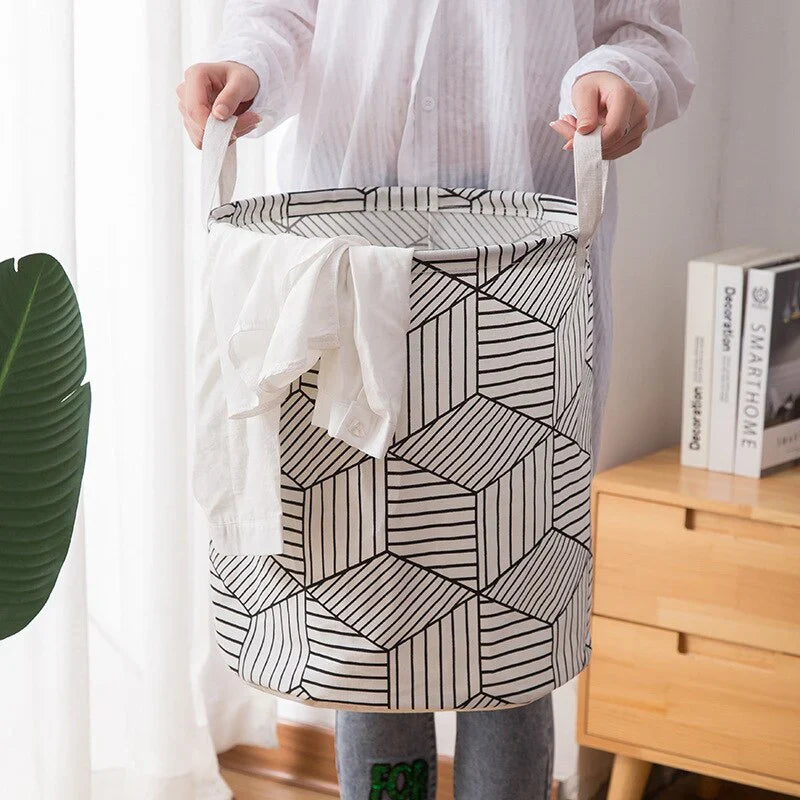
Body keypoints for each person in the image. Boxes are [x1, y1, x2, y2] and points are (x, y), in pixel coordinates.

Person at [177, 3, 695, 798]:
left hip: (521, 278)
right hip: (338, 267)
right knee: (361, 601)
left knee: (510, 607)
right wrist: (245, 66)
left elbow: (645, 33)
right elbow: (283, 13)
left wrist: (618, 78)